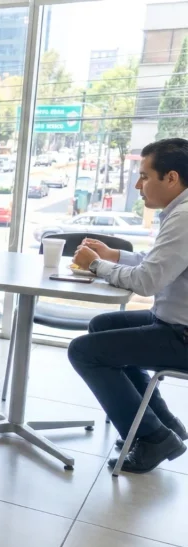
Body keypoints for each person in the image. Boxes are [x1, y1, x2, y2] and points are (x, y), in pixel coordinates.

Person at [69, 137, 188, 474]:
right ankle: (163, 424)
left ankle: (153, 438)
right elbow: (156, 263)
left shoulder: (185, 217)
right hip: (173, 324)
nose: (138, 185)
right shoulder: (180, 211)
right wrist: (112, 256)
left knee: (83, 351)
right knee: (103, 326)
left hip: (181, 334)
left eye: (145, 176)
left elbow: (146, 282)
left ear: (171, 178)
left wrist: (95, 265)